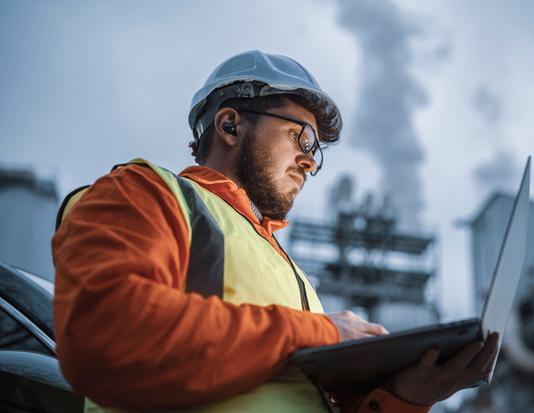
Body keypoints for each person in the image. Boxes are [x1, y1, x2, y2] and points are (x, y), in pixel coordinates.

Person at [52, 50, 500, 413]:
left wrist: (406, 397)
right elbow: (106, 334)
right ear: (230, 125)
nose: (310, 161)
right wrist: (317, 333)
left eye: (316, 152)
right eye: (300, 138)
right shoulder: (146, 193)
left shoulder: (292, 276)